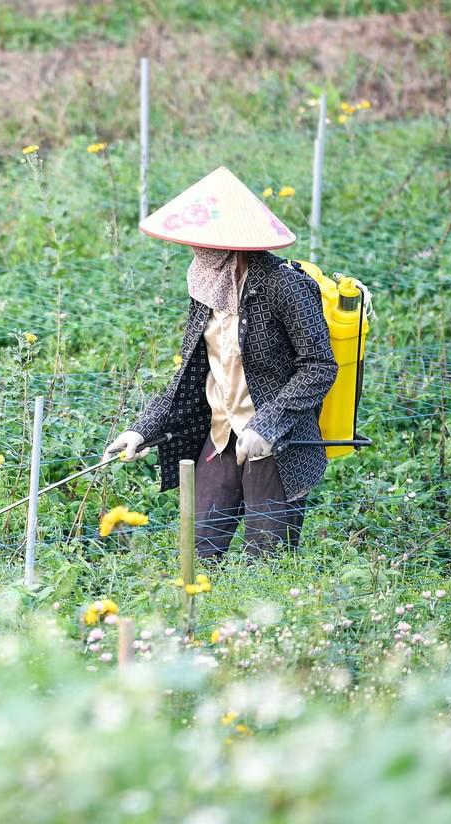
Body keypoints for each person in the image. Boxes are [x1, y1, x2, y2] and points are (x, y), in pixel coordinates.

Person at [103, 167, 337, 558]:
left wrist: (267, 425)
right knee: (199, 551)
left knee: (268, 556)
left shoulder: (283, 285)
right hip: (220, 433)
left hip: (276, 440)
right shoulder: (207, 286)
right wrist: (141, 431)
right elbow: (192, 375)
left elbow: (319, 366)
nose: (197, 252)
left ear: (232, 244)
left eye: (206, 244)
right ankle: (199, 617)